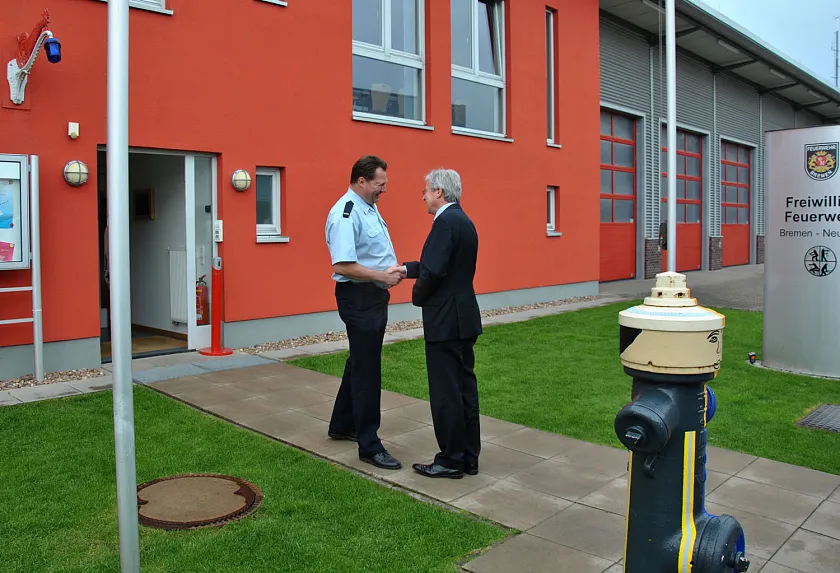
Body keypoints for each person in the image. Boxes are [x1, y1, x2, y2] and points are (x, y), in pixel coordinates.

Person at [391, 168, 482, 479]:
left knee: (446, 394)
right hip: (464, 317)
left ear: (439, 192)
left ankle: (450, 459)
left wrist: (418, 296)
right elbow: (441, 265)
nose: (423, 196)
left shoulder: (444, 222)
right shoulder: (465, 221)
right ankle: (469, 456)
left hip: (445, 321)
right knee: (465, 389)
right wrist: (406, 268)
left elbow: (434, 272)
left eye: (426, 191)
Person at [324, 155, 405, 470]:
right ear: (361, 181)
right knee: (368, 369)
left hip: (372, 297)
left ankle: (342, 424)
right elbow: (343, 265)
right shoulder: (345, 213)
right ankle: (370, 445)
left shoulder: (367, 207)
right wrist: (383, 277)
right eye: (379, 184)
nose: (383, 190)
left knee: (360, 361)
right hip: (358, 298)